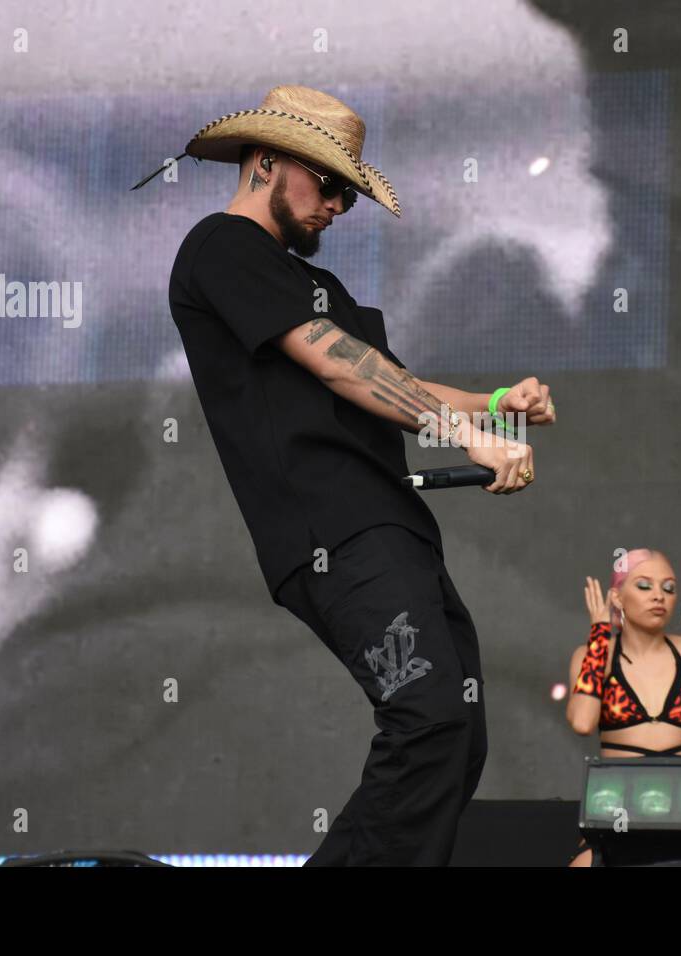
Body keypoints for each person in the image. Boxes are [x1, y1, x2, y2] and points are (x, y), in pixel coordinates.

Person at [151, 85, 559, 865]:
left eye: (349, 191)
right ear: (266, 161)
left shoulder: (315, 286)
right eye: (328, 182)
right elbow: (339, 368)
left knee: (457, 738)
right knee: (430, 719)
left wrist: (498, 405)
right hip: (335, 530)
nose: (339, 203)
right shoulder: (222, 247)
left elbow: (382, 378)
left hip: (391, 526)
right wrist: (472, 438)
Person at [564, 548, 681, 866]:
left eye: (668, 588)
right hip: (617, 805)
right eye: (643, 586)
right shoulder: (592, 655)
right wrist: (599, 636)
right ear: (617, 597)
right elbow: (582, 721)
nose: (658, 596)